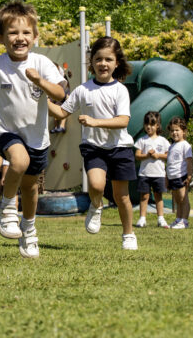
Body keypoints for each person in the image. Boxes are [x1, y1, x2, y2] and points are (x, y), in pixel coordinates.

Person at [0, 1, 65, 258]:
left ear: (35, 37)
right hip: (5, 132)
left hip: (37, 138)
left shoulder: (42, 63)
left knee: (30, 188)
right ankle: (6, 209)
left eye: (26, 32)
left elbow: (60, 94)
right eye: (13, 32)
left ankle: (29, 230)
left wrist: (39, 80)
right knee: (19, 161)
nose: (20, 38)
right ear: (1, 37)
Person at [49, 36, 139, 250]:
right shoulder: (83, 90)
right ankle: (96, 206)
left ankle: (128, 234)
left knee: (121, 197)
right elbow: (61, 112)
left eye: (108, 59)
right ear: (91, 62)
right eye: (98, 59)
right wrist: (42, 103)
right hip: (93, 147)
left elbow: (123, 121)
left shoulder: (120, 90)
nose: (103, 64)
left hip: (120, 148)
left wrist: (94, 122)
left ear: (117, 63)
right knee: (97, 185)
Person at [133, 111, 170, 229]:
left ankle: (161, 219)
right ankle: (142, 218)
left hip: (159, 174)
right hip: (145, 174)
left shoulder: (163, 141)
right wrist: (147, 155)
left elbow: (168, 155)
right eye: (147, 124)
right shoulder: (142, 140)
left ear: (157, 125)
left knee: (158, 196)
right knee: (144, 197)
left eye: (152, 124)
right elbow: (137, 155)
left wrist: (158, 155)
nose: (149, 127)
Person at [165, 117, 193, 229]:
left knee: (183, 199)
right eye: (172, 130)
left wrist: (189, 175)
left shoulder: (185, 145)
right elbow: (169, 163)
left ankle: (184, 221)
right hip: (172, 177)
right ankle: (178, 219)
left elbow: (189, 161)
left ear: (184, 131)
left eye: (177, 130)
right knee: (177, 199)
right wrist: (167, 177)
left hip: (181, 176)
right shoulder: (171, 146)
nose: (174, 133)